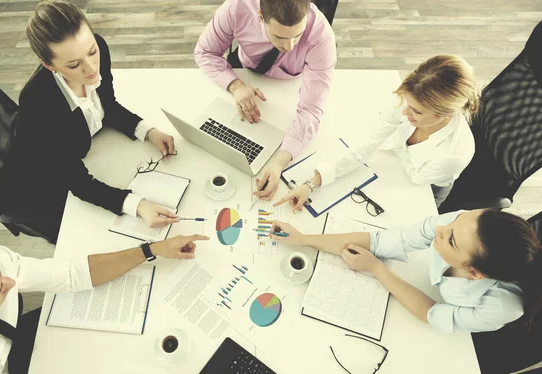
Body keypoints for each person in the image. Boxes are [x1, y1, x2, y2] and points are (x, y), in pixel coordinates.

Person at [0, 234, 209, 374]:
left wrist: (151, 250)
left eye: (0, 271)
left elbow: (72, 274)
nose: (13, 284)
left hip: (25, 339)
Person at [0, 1, 178, 242]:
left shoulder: (99, 47)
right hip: (47, 181)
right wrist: (137, 205)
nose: (91, 68)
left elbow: (108, 106)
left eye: (92, 52)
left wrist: (147, 131)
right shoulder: (38, 102)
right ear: (49, 65)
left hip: (91, 152)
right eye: (73, 65)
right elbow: (78, 183)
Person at [269, 209, 542, 333]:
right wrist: (304, 238)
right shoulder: (459, 226)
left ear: (474, 273)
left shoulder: (503, 306)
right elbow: (381, 241)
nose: (440, 228)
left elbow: (433, 314)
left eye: (450, 240)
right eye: (458, 219)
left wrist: (377, 269)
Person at [275, 55, 480, 210]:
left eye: (416, 111)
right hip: (396, 165)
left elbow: (416, 178)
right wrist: (313, 183)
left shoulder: (453, 155)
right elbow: (366, 145)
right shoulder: (408, 99)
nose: (405, 112)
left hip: (426, 188)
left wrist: (390, 144)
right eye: (407, 104)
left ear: (444, 114)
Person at [194, 0, 336, 201]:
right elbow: (205, 52)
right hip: (245, 71)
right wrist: (235, 85)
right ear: (260, 17)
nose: (289, 46)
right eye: (279, 36)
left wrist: (278, 162)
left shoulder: (321, 36)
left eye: (297, 35)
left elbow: (311, 111)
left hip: (289, 86)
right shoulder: (236, 8)